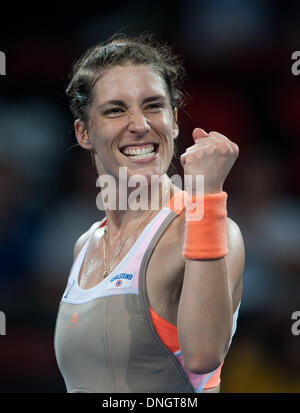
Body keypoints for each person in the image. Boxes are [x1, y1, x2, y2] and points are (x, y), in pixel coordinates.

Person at [54, 34, 244, 393]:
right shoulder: (85, 246)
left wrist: (206, 197)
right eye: (115, 109)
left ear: (173, 121)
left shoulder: (211, 229)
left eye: (153, 106)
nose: (139, 124)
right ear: (83, 132)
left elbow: (204, 355)